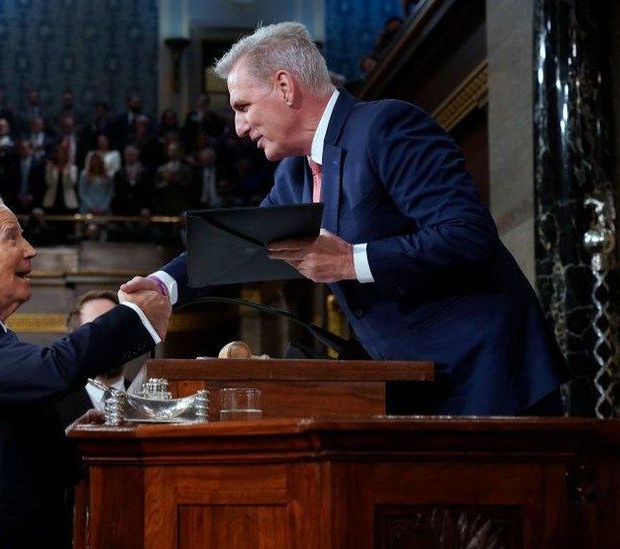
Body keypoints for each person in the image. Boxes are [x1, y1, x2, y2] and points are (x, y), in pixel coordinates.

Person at [119, 21, 567, 416]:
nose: (238, 127)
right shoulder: (294, 174)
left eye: (242, 107)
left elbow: (467, 235)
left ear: (284, 86)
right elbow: (237, 244)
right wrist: (163, 286)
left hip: (491, 377)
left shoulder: (386, 127)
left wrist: (351, 261)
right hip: (417, 384)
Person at [0, 191, 170, 547]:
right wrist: (135, 320)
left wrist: (75, 436)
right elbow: (52, 369)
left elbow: (12, 451)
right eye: (11, 236)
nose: (30, 250)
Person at [54, 291, 132, 429]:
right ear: (76, 341)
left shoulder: (148, 402)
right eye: (96, 329)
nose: (109, 337)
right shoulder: (52, 405)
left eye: (117, 326)